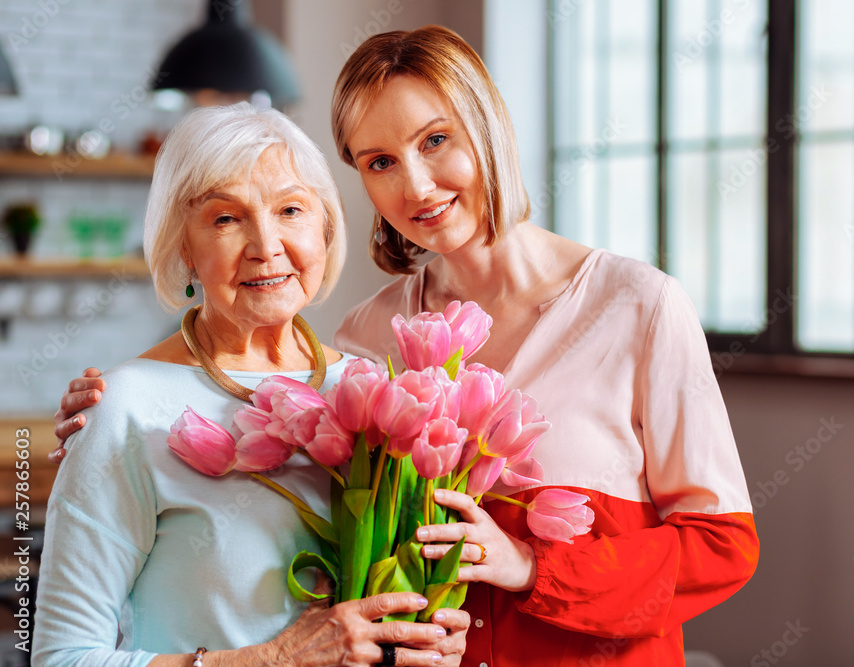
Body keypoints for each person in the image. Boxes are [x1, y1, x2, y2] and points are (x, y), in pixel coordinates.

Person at [54, 25, 758, 667]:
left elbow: (723, 547)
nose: (416, 186)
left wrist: (529, 566)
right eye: (380, 161)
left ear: (488, 126)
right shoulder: (367, 342)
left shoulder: (638, 306)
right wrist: (124, 412)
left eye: (435, 140)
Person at [35, 102, 468, 667]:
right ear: (183, 246)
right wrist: (273, 659)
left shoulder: (375, 391)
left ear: (324, 227)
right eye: (225, 219)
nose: (266, 245)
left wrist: (427, 635)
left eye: (290, 210)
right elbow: (62, 657)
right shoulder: (123, 408)